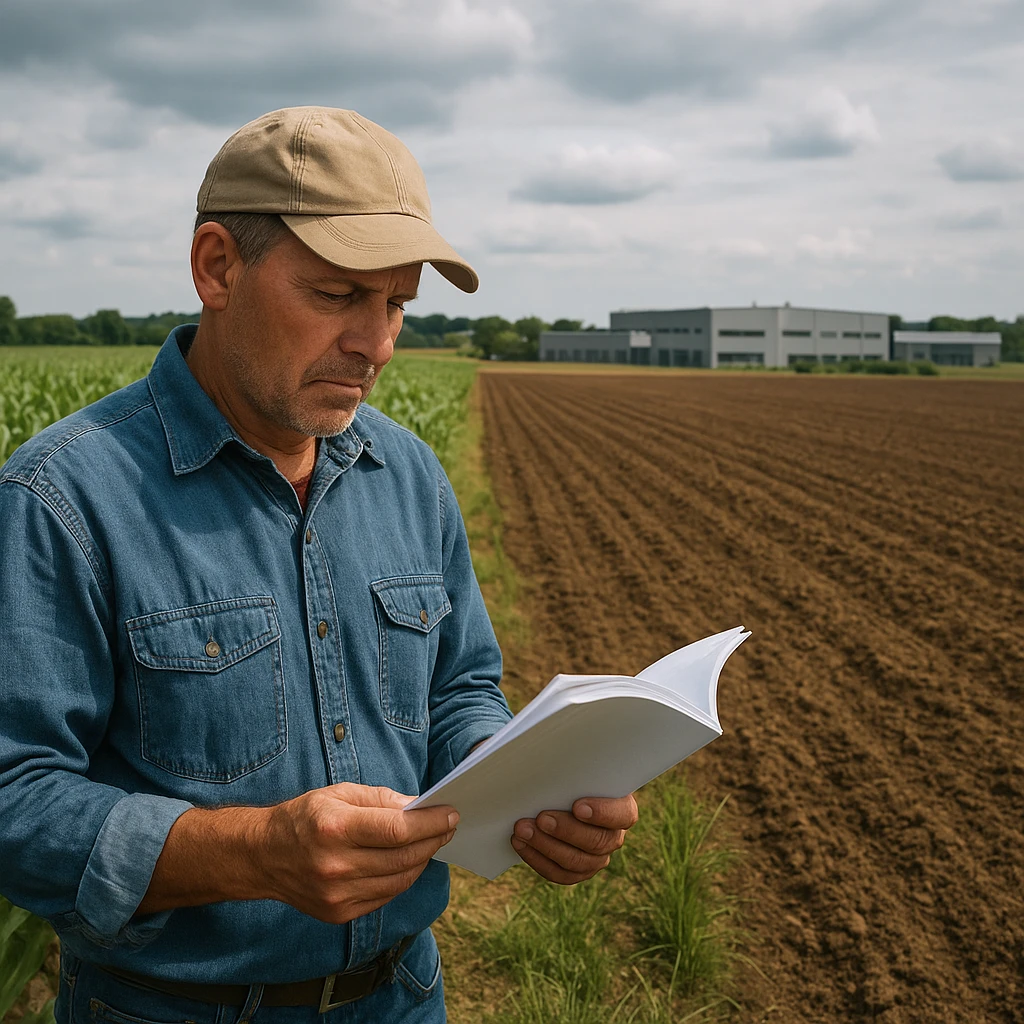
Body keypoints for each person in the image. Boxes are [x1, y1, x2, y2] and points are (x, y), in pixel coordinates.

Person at [0, 107, 638, 1022]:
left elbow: (459, 686)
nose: (376, 344)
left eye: (397, 304)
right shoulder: (61, 498)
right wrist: (255, 852)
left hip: (403, 995)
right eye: (338, 295)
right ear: (217, 267)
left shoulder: (409, 475)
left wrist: (517, 783)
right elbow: (14, 797)